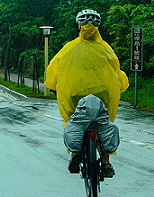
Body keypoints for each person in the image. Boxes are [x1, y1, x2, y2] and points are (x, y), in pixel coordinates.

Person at [44, 9, 129, 178]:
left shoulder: (69, 48)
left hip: (75, 95)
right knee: (103, 123)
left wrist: (53, 86)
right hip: (103, 95)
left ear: (79, 26)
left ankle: (76, 154)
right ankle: (105, 163)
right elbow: (116, 72)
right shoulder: (105, 49)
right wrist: (121, 86)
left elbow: (54, 69)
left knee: (74, 121)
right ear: (98, 28)